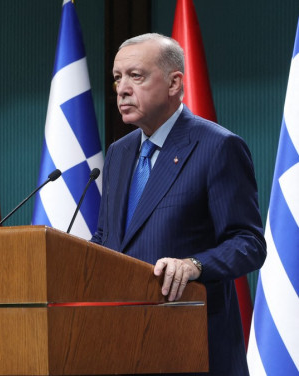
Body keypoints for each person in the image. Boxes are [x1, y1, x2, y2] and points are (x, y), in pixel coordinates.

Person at [92, 33, 266, 375]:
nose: (122, 89)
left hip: (192, 344)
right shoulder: (118, 153)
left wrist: (194, 265)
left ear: (175, 83)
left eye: (136, 76)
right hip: (122, 344)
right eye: (117, 78)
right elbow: (107, 238)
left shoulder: (217, 147)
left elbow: (249, 244)